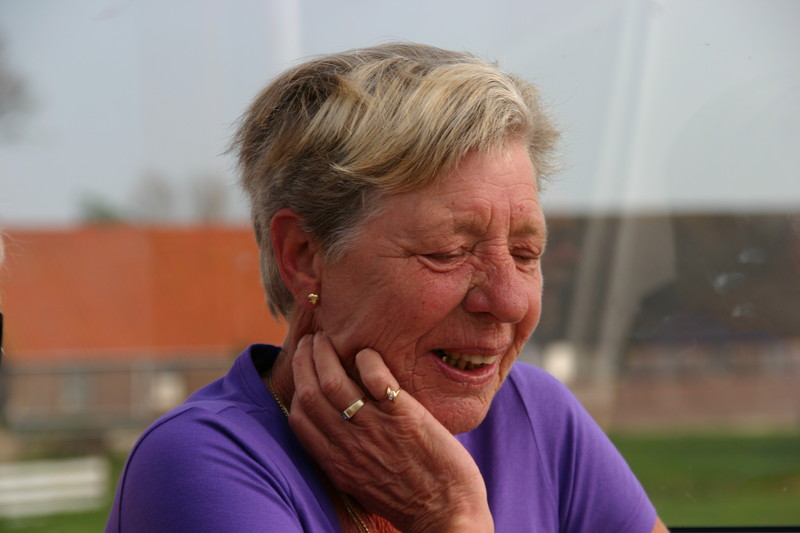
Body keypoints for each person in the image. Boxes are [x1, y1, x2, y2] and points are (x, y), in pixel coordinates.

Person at [107, 42, 668, 532]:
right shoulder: (202, 464)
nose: (510, 300)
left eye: (526, 254)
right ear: (303, 257)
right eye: (448, 252)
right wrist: (448, 516)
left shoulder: (536, 416)